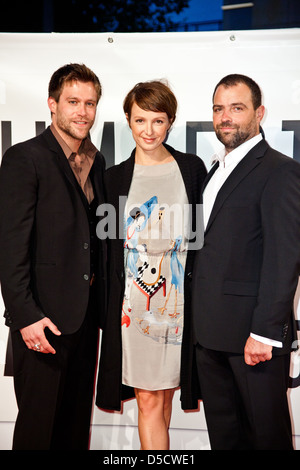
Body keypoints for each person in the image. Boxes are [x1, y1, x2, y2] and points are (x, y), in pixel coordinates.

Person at [0, 63, 106, 450]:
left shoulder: (97, 161)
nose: (82, 111)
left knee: (74, 431)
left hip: (83, 321)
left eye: (90, 103)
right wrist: (26, 316)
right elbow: (10, 247)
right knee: (37, 433)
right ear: (52, 104)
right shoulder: (24, 158)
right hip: (40, 323)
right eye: (73, 101)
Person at [96, 80, 206, 450]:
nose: (149, 130)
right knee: (148, 399)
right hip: (135, 311)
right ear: (128, 120)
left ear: (170, 122)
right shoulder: (112, 179)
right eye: (140, 120)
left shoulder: (191, 170)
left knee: (164, 397)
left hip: (179, 307)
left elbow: (201, 239)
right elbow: (106, 249)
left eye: (158, 121)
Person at [192, 73, 300, 450]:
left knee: (266, 438)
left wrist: (265, 333)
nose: (226, 117)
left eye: (237, 108)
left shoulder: (280, 170)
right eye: (219, 109)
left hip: (254, 341)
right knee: (226, 439)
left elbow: (284, 257)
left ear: (260, 113)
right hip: (210, 336)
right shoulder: (214, 173)